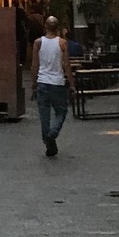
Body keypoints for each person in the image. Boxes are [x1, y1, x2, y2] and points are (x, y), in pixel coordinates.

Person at [29, 14, 74, 157]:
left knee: (44, 115)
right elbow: (66, 64)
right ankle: (52, 134)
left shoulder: (38, 43)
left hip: (42, 82)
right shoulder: (62, 43)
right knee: (61, 111)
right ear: (58, 28)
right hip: (57, 83)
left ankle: (49, 142)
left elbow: (34, 65)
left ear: (45, 27)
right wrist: (71, 83)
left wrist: (34, 82)